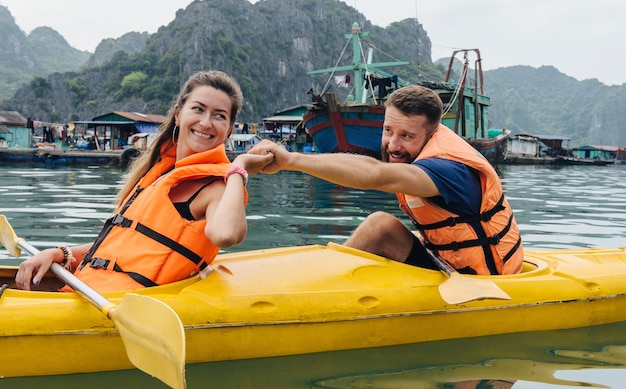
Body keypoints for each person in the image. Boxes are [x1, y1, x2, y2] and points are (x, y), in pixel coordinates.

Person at [16, 70, 274, 292]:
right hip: (83, 291)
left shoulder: (215, 186)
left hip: (118, 304)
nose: (206, 123)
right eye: (198, 109)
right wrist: (60, 254)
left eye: (219, 115)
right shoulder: (159, 172)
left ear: (229, 128)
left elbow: (226, 235)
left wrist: (239, 167)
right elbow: (120, 247)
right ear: (178, 114)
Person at [249, 85, 523, 275]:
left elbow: (375, 174)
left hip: (485, 280)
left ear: (431, 133)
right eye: (388, 130)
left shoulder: (449, 169)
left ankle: (321, 288)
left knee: (379, 226)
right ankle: (326, 274)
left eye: (407, 136)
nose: (392, 145)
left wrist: (289, 160)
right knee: (385, 229)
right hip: (451, 259)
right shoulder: (425, 152)